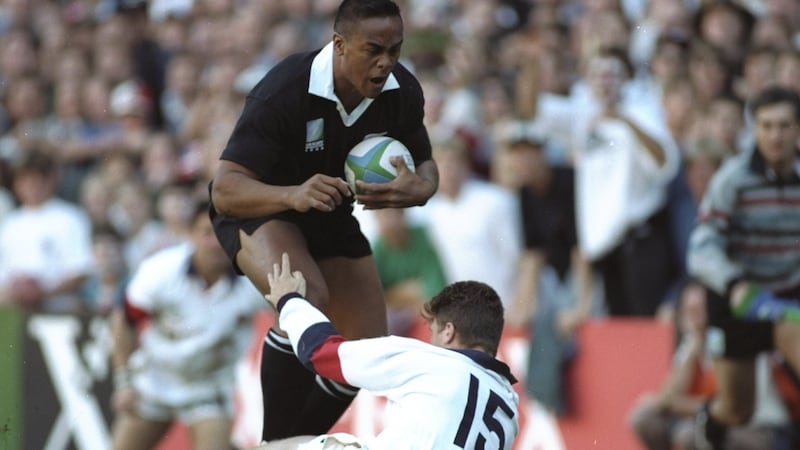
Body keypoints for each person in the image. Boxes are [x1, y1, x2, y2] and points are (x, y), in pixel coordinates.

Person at [208, 0, 439, 441]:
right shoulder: (285, 89)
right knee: (304, 295)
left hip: (328, 211)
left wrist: (421, 188)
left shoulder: (402, 92)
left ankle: (291, 443)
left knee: (367, 347)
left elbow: (425, 163)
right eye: (374, 50)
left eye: (395, 50)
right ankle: (276, 441)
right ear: (339, 44)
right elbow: (225, 189)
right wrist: (292, 194)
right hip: (262, 206)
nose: (386, 62)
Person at [255, 253, 519, 450]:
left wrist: (289, 301)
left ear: (448, 331)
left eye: (434, 332)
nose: (432, 342)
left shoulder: (433, 363)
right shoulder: (509, 413)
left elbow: (322, 353)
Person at [688, 85, 800, 450]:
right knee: (738, 409)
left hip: (787, 297)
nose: (775, 136)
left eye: (783, 126)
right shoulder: (732, 180)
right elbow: (701, 248)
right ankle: (709, 424)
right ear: (754, 130)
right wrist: (734, 283)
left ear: (797, 129)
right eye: (766, 126)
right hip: (738, 298)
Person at [110, 200, 265, 450]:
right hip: (154, 380)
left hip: (209, 386)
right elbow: (124, 320)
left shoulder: (253, 280)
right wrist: (123, 381)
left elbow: (288, 314)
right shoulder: (161, 270)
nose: (215, 243)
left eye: (222, 233)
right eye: (207, 233)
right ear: (190, 234)